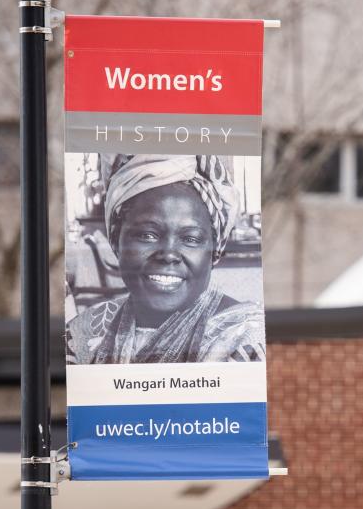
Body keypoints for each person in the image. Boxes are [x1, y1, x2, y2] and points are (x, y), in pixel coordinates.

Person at [67, 153, 265, 364]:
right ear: (115, 239)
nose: (169, 255)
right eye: (147, 235)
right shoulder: (81, 335)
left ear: (215, 250)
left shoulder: (246, 342)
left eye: (190, 238)